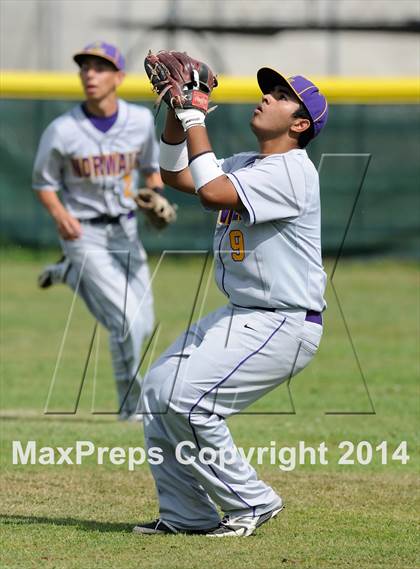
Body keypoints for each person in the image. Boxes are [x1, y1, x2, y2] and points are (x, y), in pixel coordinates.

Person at [134, 65, 329, 536]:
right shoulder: (250, 162)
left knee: (187, 400)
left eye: (281, 96)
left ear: (300, 124)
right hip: (244, 314)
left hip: (282, 322)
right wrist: (177, 115)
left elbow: (210, 193)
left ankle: (253, 502)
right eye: (269, 91)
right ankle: (188, 516)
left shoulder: (292, 171)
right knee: (158, 391)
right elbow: (176, 173)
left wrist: (197, 118)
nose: (267, 98)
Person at [33, 42, 166, 421]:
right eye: (85, 67)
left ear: (119, 77)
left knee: (145, 322)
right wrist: (60, 215)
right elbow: (43, 183)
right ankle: (132, 408)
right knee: (128, 321)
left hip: (125, 231)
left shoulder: (140, 121)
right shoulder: (62, 130)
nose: (90, 74)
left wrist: (153, 195)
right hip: (83, 234)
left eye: (100, 67)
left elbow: (151, 168)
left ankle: (70, 274)